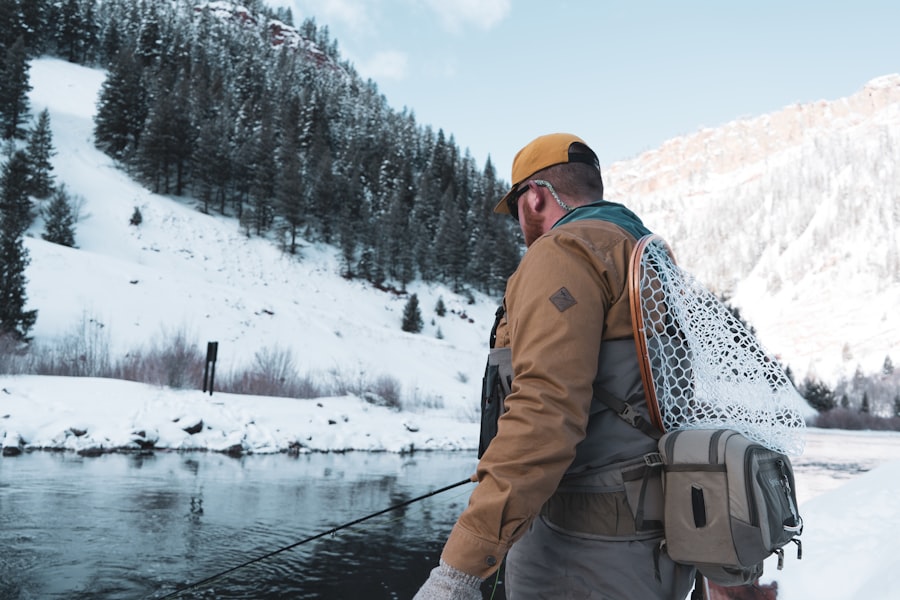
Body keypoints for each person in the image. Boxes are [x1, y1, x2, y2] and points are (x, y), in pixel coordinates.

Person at [414, 133, 697, 599]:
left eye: (517, 206)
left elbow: (543, 412)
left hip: (579, 558)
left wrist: (457, 572)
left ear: (537, 196)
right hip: (654, 548)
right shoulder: (643, 255)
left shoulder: (564, 251)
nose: (519, 223)